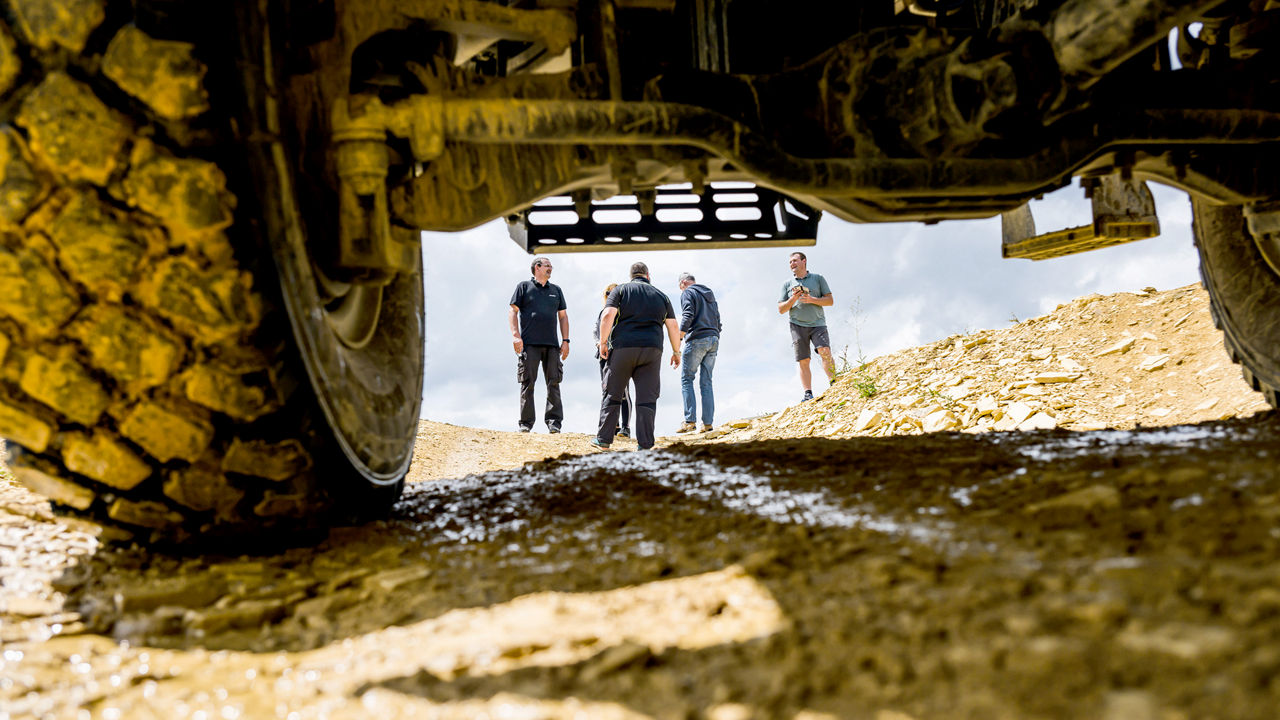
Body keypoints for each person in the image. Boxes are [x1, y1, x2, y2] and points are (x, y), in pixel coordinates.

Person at [594, 262, 681, 451]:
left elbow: (608, 315)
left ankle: (603, 440)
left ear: (631, 276)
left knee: (613, 393)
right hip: (652, 350)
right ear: (648, 275)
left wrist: (602, 342)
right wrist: (676, 352)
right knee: (647, 398)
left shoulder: (621, 291)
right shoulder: (661, 295)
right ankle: (645, 444)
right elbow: (673, 326)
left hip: (623, 348)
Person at [509, 257, 569, 432]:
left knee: (554, 382)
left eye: (551, 266)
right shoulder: (523, 287)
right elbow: (513, 311)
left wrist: (565, 341)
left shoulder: (556, 290)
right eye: (547, 266)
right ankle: (526, 424)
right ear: (537, 268)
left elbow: (563, 316)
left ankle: (554, 422)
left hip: (552, 345)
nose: (551, 268)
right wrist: (515, 336)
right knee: (528, 382)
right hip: (530, 345)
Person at [777, 251, 834, 401]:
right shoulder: (786, 284)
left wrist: (812, 299)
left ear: (804, 261)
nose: (792, 264)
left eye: (795, 261)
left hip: (818, 323)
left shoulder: (818, 278)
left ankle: (834, 383)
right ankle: (808, 393)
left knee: (825, 350)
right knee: (803, 359)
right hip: (796, 325)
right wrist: (792, 299)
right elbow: (781, 309)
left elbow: (830, 301)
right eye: (790, 262)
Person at [676, 272, 721, 433]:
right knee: (706, 382)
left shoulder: (688, 292)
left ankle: (689, 421)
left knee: (687, 379)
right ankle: (707, 424)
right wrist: (716, 333)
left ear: (683, 283)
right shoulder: (709, 293)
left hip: (697, 339)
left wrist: (679, 337)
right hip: (713, 339)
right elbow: (717, 317)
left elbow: (688, 314)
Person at [594, 282, 631, 438]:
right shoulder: (603, 312)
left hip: (621, 354)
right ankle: (610, 426)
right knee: (606, 391)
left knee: (624, 392)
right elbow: (596, 330)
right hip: (604, 355)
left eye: (614, 292)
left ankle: (625, 427)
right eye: (608, 293)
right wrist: (598, 343)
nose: (611, 295)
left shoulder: (625, 313)